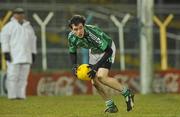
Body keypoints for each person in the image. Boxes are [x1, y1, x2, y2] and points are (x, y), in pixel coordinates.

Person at [67, 15, 134, 113]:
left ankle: (127, 93)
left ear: (84, 26)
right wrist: (74, 65)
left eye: (80, 28)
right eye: (75, 29)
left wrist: (95, 68)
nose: (79, 32)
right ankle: (111, 106)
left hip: (107, 49)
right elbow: (72, 51)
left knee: (102, 77)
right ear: (71, 29)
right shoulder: (71, 37)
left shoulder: (92, 35)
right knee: (94, 82)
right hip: (94, 51)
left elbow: (109, 51)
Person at [0, 8, 37, 100]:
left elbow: (33, 41)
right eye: (18, 13)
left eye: (21, 13)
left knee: (23, 78)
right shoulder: (9, 26)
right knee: (12, 76)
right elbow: (4, 40)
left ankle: (21, 95)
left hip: (27, 55)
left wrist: (33, 52)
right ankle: (12, 96)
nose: (20, 15)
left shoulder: (28, 26)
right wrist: (6, 52)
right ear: (14, 15)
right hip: (14, 56)